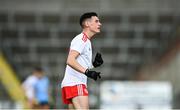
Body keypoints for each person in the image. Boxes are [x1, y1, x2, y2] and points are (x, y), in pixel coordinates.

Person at [61, 12, 104, 109]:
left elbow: (78, 62)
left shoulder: (86, 41)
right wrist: (87, 72)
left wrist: (93, 65)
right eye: (96, 21)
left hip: (72, 83)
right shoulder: (82, 39)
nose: (99, 24)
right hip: (76, 83)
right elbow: (70, 60)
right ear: (87, 24)